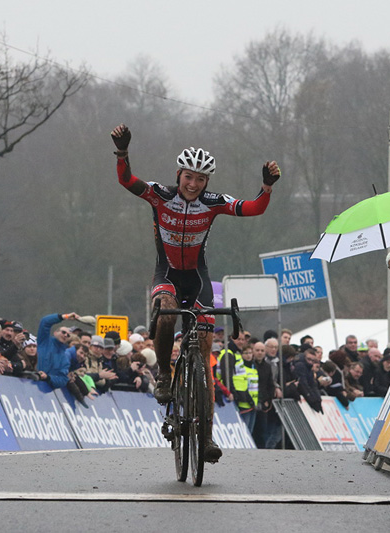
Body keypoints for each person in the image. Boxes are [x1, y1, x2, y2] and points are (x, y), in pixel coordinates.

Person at [111, 123, 280, 464]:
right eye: (189, 177)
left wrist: (266, 186)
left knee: (204, 358)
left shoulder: (212, 203)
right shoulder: (160, 194)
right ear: (180, 174)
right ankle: (163, 374)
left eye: (200, 179)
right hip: (168, 274)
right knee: (166, 309)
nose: (193, 184)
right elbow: (128, 181)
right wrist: (123, 153)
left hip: (198, 279)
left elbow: (254, 208)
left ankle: (207, 438)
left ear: (207, 182)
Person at [35, 312, 80, 388]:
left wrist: (48, 378)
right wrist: (64, 317)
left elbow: (63, 380)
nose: (65, 335)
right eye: (63, 332)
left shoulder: (65, 356)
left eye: (68, 335)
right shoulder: (44, 340)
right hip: (31, 382)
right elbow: (45, 322)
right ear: (55, 333)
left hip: (46, 390)